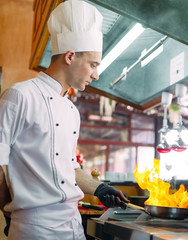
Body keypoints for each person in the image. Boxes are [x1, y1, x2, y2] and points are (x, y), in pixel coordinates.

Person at [0, 1, 129, 239]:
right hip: (35, 229)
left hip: (72, 227)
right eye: (93, 64)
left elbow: (69, 167)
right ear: (70, 56)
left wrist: (99, 188)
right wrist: (8, 213)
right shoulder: (19, 96)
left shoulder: (71, 110)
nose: (96, 74)